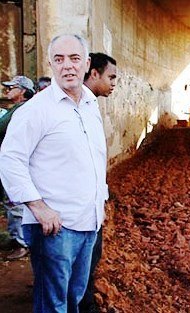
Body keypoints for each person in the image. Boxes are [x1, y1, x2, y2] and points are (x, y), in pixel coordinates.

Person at [0, 34, 108, 312]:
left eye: (74, 59)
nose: (67, 66)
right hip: (55, 226)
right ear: (50, 64)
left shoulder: (89, 104)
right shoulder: (36, 109)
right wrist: (38, 207)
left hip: (88, 222)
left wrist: (100, 201)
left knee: (74, 299)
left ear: (86, 64)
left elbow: (93, 157)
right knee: (53, 304)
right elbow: (11, 159)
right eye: (59, 60)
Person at [80, 52, 117, 313]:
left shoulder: (90, 105)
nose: (115, 83)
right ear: (94, 73)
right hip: (72, 210)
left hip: (90, 204)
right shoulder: (67, 105)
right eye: (111, 77)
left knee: (89, 262)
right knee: (75, 268)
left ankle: (87, 304)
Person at [0, 75, 35, 259]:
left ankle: (21, 243)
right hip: (14, 162)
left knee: (15, 202)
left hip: (18, 163)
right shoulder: (18, 109)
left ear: (22, 91)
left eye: (11, 87)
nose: (7, 91)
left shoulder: (22, 110)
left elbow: (1, 128)